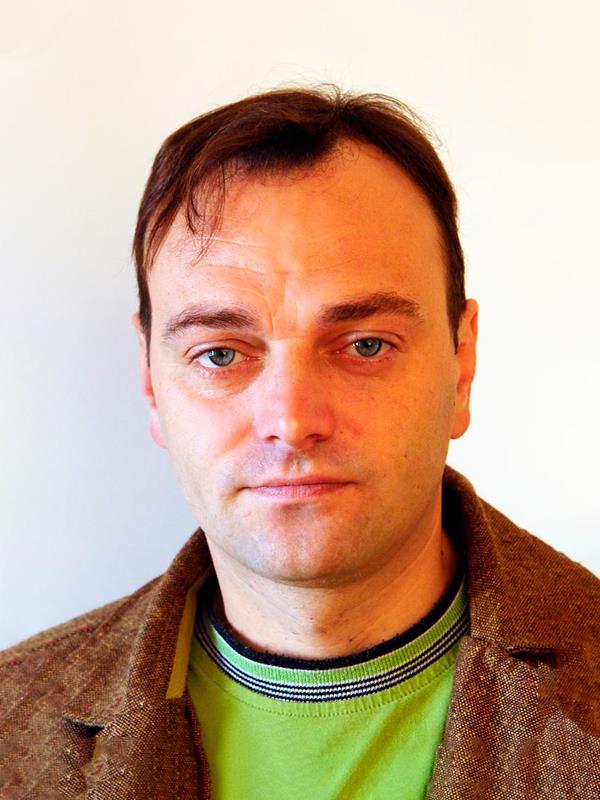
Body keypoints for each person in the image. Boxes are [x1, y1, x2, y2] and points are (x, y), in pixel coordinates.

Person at [0, 86, 598, 800]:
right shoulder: (13, 726)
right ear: (151, 381)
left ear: (461, 365)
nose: (291, 420)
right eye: (221, 354)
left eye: (366, 344)